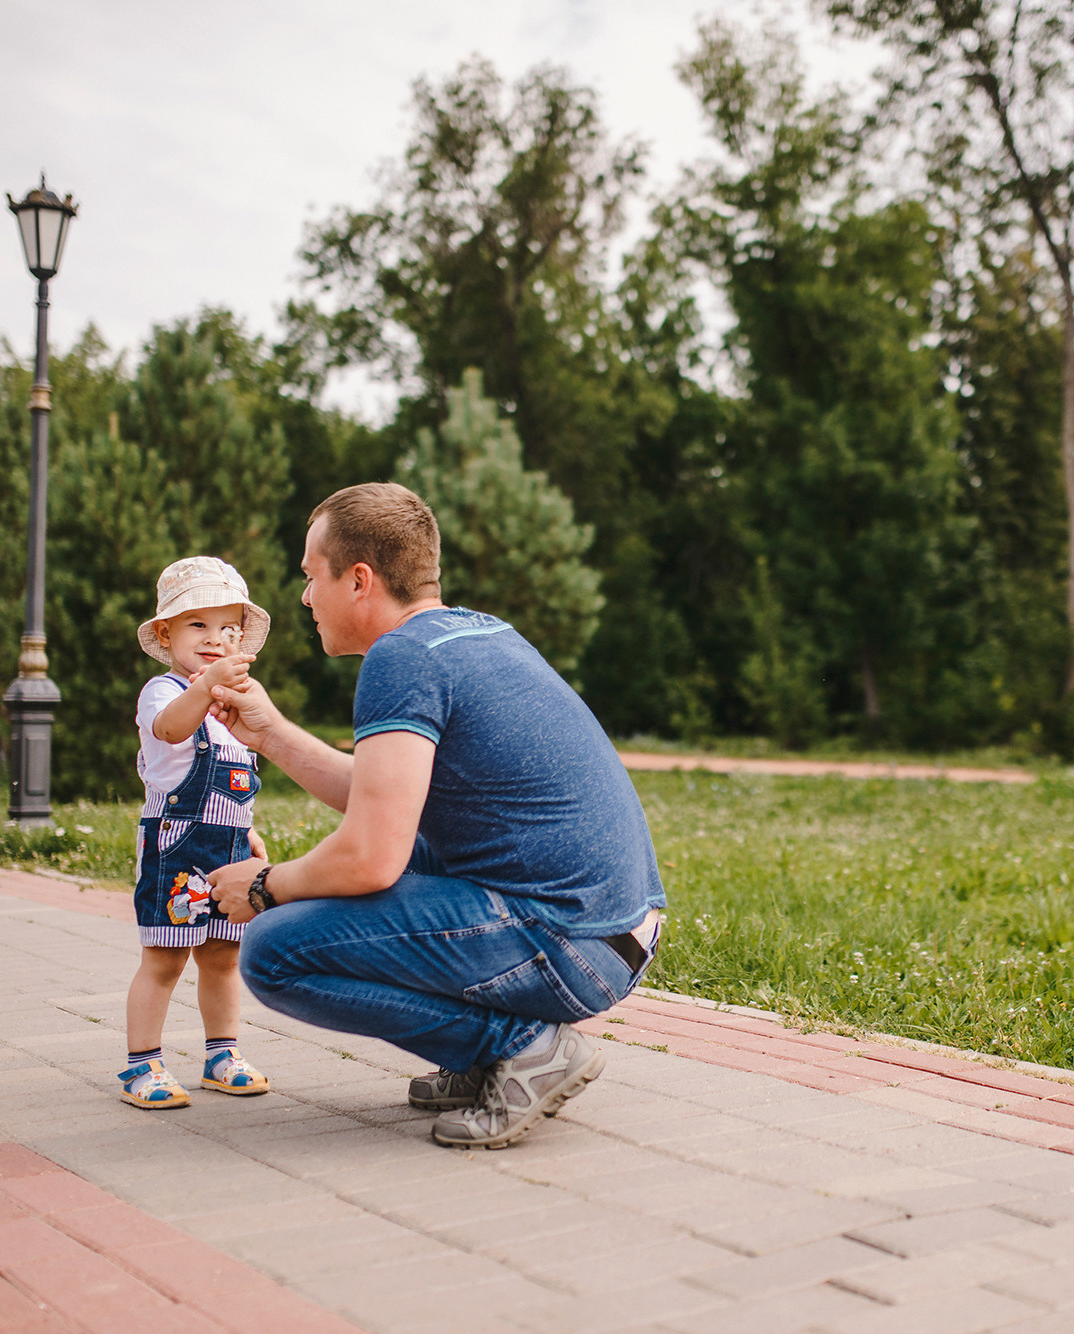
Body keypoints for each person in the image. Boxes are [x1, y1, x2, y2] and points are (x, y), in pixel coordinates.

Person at [203, 482, 665, 1150]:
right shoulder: (470, 634)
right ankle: (488, 1062)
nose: (304, 597)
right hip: (615, 933)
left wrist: (262, 886)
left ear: (358, 580)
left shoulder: (401, 657)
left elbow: (370, 856)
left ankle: (524, 1048)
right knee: (408, 850)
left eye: (310, 577)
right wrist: (270, 733)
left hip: (570, 942)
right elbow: (386, 796)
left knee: (275, 949)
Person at [118, 556, 274, 1110]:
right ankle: (142, 1062)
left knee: (222, 955)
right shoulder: (164, 694)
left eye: (227, 629)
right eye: (197, 625)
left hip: (227, 846)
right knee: (165, 959)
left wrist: (248, 832)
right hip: (176, 845)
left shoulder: (235, 703)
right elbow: (170, 729)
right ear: (165, 633)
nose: (214, 640)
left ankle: (221, 1053)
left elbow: (238, 781)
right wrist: (206, 686)